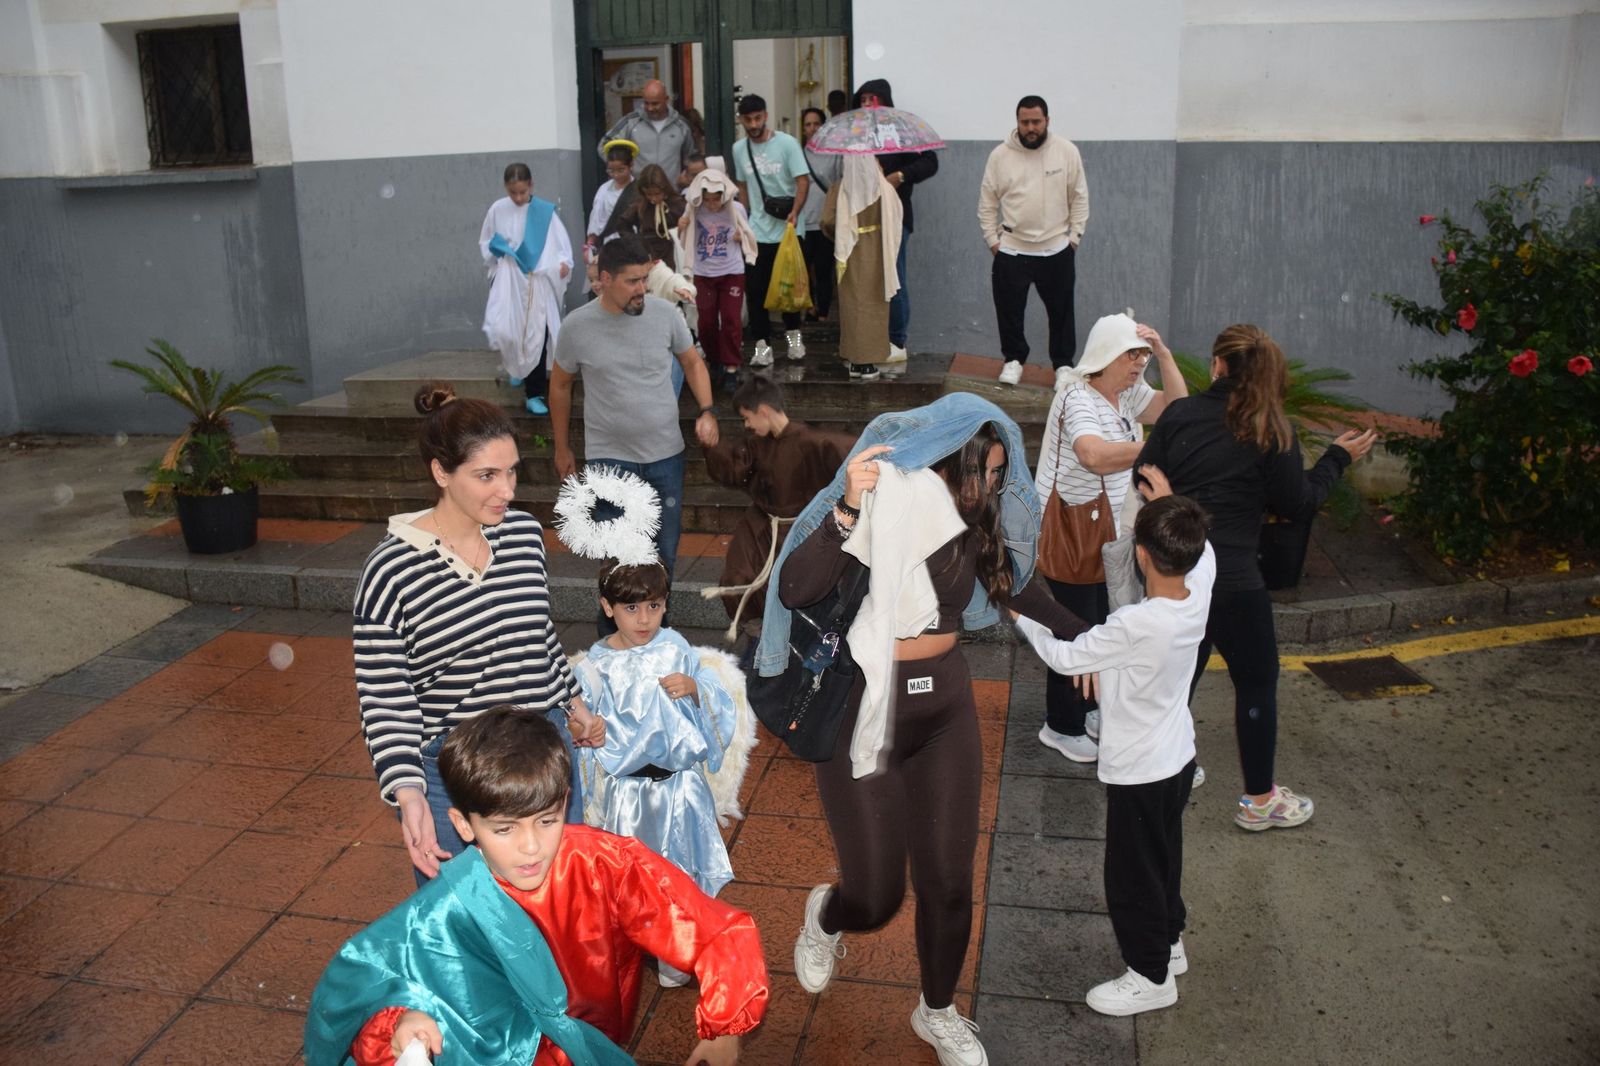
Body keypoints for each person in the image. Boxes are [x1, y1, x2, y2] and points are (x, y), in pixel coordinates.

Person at [761, 394, 1090, 1066]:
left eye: (1000, 476)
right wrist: (847, 509)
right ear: (948, 461)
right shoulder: (885, 504)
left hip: (944, 711)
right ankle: (828, 913)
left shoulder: (974, 518)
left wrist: (1082, 632)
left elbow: (1007, 584)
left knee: (947, 881)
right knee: (876, 897)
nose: (991, 489)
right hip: (863, 711)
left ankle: (936, 1009)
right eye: (983, 473)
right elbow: (796, 587)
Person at [308, 706, 769, 1066]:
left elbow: (711, 930)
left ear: (564, 802)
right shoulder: (442, 912)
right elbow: (372, 989)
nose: (531, 848)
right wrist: (402, 1023)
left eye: (546, 821)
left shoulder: (604, 865)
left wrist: (727, 1028)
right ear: (463, 826)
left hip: (596, 1043)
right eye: (505, 830)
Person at [352, 384, 605, 887]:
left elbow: (537, 635)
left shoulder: (524, 535)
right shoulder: (391, 570)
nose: (507, 491)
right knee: (466, 926)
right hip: (457, 770)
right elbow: (385, 696)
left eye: (512, 471)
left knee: (557, 912)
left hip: (544, 752)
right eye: (486, 475)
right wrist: (409, 793)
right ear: (441, 472)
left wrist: (574, 707)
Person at [1137, 324, 1377, 830]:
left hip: (1175, 573)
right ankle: (1259, 801)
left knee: (1178, 675)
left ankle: (1171, 768)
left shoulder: (1180, 415)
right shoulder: (1271, 430)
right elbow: (1299, 504)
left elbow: (1146, 478)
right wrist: (1337, 458)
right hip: (1234, 581)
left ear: (1219, 365)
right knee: (1256, 684)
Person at [1011, 491, 1214, 1017]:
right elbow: (1206, 548)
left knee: (1131, 874)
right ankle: (1169, 942)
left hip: (1141, 770)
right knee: (1162, 857)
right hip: (1177, 756)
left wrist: (1022, 614)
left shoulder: (1137, 625)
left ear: (1142, 555)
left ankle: (1150, 975)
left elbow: (1063, 656)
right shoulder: (1200, 588)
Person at [572, 560, 740, 985]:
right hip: (628, 795)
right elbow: (579, 720)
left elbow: (718, 701)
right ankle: (637, 945)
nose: (644, 619)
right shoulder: (595, 665)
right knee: (634, 878)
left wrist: (696, 688)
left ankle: (676, 958)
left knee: (681, 874)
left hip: (679, 789)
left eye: (654, 606)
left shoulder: (675, 649)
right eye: (631, 608)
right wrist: (587, 728)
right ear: (607, 607)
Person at [1032, 313, 1187, 763]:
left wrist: (1165, 354)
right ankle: (1061, 725)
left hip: (1109, 530)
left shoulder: (1125, 395)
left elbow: (1177, 411)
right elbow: (1093, 455)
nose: (1139, 364)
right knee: (1076, 628)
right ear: (1104, 355)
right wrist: (1151, 449)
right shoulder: (1077, 396)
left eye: (1142, 356)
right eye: (1130, 355)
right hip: (1071, 532)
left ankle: (1091, 707)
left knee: (1102, 621)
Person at [550, 236, 720, 582]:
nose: (642, 288)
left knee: (663, 557)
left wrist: (707, 410)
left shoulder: (665, 313)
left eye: (645, 278)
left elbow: (692, 362)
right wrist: (561, 446)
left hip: (666, 455)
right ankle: (613, 634)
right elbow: (560, 385)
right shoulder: (577, 327)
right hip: (608, 462)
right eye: (632, 281)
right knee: (617, 563)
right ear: (605, 279)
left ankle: (658, 633)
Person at [701, 374, 854, 646]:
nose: (746, 425)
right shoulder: (757, 444)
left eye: (747, 418)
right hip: (762, 526)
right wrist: (712, 447)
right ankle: (758, 634)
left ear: (763, 412)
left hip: (804, 530)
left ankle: (795, 642)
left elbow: (851, 457)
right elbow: (735, 467)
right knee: (738, 577)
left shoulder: (815, 443)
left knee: (793, 587)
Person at [978, 94, 1090, 390]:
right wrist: (993, 241)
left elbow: (1079, 197)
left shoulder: (1066, 151)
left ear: (1047, 121)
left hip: (1056, 248)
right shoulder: (1000, 156)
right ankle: (1013, 360)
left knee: (1062, 312)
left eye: (1036, 122)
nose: (1030, 128)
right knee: (1009, 310)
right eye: (1025, 122)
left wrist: (1073, 238)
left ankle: (1064, 365)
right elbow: (987, 202)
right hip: (1012, 248)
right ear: (1017, 122)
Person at [852, 79, 938, 372]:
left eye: (872, 99)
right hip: (863, 217)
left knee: (894, 278)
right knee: (868, 282)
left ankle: (897, 341)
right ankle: (871, 340)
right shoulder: (855, 134)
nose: (867, 105)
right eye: (862, 99)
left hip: (896, 216)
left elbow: (930, 162)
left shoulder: (901, 131)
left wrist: (899, 175)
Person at [479, 162, 573, 416]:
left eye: (522, 192)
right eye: (513, 193)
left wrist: (564, 264)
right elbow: (486, 242)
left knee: (536, 336)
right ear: (506, 189)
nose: (518, 198)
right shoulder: (498, 209)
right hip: (509, 280)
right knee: (507, 329)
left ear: (531, 185)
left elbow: (561, 246)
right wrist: (497, 250)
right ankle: (514, 367)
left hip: (536, 282)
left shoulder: (544, 212)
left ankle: (534, 393)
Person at [731, 94, 810, 368]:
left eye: (757, 118)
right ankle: (762, 346)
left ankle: (793, 340)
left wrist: (796, 212)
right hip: (756, 231)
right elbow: (741, 186)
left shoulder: (788, 144)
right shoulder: (739, 149)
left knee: (788, 289)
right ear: (740, 120)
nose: (753, 124)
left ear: (765, 116)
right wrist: (743, 219)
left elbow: (802, 181)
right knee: (756, 291)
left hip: (788, 229)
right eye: (747, 119)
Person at [822, 155, 902, 381]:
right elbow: (897, 215)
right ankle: (867, 361)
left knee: (851, 305)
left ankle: (855, 360)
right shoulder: (884, 188)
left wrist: (838, 234)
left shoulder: (840, 188)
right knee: (874, 304)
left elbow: (827, 220)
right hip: (878, 249)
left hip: (849, 252)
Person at [679, 166, 757, 393]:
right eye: (708, 199)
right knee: (706, 322)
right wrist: (682, 227)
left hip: (732, 271)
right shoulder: (693, 209)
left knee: (732, 319)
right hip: (703, 274)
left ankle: (732, 367)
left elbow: (748, 234)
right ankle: (715, 361)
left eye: (717, 199)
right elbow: (685, 239)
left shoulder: (737, 209)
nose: (712, 205)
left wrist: (740, 237)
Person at [596, 78, 695, 182]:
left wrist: (686, 177)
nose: (650, 108)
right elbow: (604, 145)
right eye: (646, 103)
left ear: (666, 99)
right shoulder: (631, 122)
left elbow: (691, 157)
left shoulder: (682, 125)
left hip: (670, 193)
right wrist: (619, 169)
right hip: (637, 193)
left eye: (655, 103)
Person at [797, 107, 841, 325]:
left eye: (816, 124)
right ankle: (810, 307)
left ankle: (823, 310)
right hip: (803, 221)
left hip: (825, 221)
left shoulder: (834, 154)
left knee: (824, 269)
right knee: (803, 269)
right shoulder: (797, 153)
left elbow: (840, 183)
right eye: (807, 124)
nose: (812, 128)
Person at [601, 163, 685, 267]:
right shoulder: (640, 205)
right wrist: (636, 242)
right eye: (649, 194)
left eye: (657, 193)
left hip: (672, 254)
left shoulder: (677, 204)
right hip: (649, 256)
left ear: (665, 189)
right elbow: (623, 223)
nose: (653, 198)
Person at [586, 142, 635, 255]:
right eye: (611, 171)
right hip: (608, 245)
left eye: (621, 170)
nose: (616, 175)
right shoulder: (604, 189)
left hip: (632, 245)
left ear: (631, 165)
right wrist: (589, 246)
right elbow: (596, 219)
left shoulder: (638, 189)